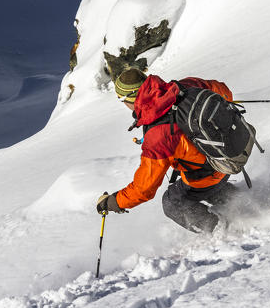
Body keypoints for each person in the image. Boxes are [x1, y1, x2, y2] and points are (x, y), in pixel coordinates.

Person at [96, 68, 235, 233]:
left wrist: (114, 202)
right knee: (195, 185)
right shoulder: (183, 86)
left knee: (172, 201)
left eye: (121, 99)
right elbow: (222, 90)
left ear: (129, 99)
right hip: (232, 149)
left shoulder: (157, 136)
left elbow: (144, 189)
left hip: (212, 170)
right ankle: (241, 201)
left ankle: (219, 230)